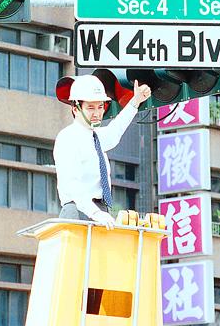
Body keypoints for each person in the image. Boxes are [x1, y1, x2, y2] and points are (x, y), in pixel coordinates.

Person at [53, 73, 151, 230]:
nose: (97, 113)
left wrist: (135, 101)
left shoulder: (96, 137)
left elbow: (115, 131)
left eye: (100, 107)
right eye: (90, 107)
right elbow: (72, 184)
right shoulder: (67, 137)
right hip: (78, 210)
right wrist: (95, 213)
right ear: (75, 108)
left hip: (100, 211)